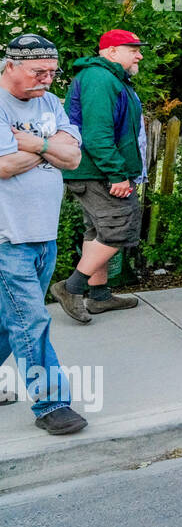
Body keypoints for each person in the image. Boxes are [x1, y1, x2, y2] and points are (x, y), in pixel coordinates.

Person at [0, 34, 88, 434]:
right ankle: (51, 403)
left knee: (11, 320)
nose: (47, 80)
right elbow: (2, 167)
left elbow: (72, 157)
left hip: (43, 233)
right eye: (38, 72)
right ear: (11, 66)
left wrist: (31, 142)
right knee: (31, 319)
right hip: (8, 235)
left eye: (52, 72)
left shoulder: (50, 102)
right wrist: (50, 145)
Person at [51, 30, 148, 323]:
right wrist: (117, 175)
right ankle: (71, 287)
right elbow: (96, 134)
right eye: (133, 49)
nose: (139, 55)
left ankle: (99, 295)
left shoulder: (110, 78)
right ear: (112, 51)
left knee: (98, 232)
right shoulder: (100, 79)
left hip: (95, 171)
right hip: (98, 172)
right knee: (121, 227)